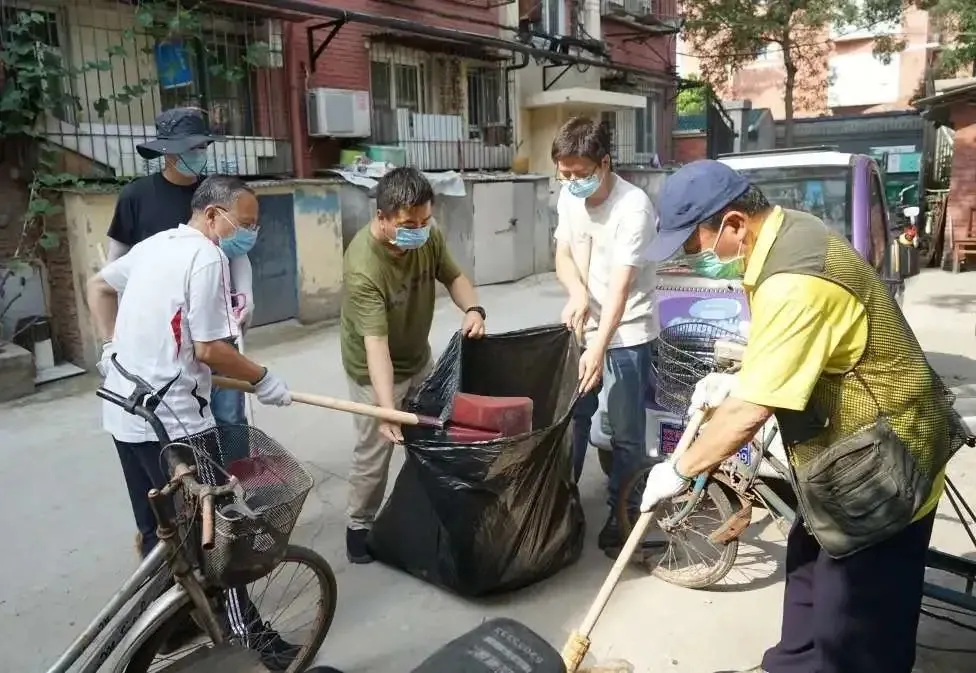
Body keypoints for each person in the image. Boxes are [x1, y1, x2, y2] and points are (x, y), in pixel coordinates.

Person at [638, 159, 968, 673]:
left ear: (733, 223)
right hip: (840, 465)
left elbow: (750, 412)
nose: (692, 259)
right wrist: (747, 372)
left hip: (886, 469)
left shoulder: (794, 279)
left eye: (693, 246)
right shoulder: (783, 232)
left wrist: (680, 470)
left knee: (856, 638)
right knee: (807, 599)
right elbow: (795, 343)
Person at [88, 176, 300, 670]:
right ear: (212, 215)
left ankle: (166, 627)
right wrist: (263, 378)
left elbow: (99, 286)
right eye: (244, 223)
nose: (250, 233)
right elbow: (210, 350)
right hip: (175, 426)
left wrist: (111, 346)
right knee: (216, 539)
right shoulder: (207, 257)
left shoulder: (155, 244)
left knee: (158, 533)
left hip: (124, 413)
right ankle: (252, 638)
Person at [340, 167, 487, 564]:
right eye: (408, 225)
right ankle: (359, 525)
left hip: (418, 358)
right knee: (375, 452)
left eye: (425, 221)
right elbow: (376, 346)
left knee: (433, 435)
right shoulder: (363, 267)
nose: (419, 231)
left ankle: (429, 509)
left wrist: (473, 308)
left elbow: (453, 276)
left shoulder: (427, 234)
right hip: (373, 370)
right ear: (382, 217)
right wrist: (387, 408)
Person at [106, 107, 255, 432]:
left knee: (230, 414)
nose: (199, 153)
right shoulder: (136, 197)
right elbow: (114, 269)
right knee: (177, 418)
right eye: (191, 147)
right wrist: (115, 338)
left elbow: (237, 252)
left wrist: (246, 295)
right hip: (165, 333)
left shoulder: (217, 193)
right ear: (168, 151)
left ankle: (234, 463)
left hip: (216, 320)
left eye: (202, 146)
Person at [550, 116, 658, 556]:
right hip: (584, 327)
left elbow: (620, 289)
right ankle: (561, 503)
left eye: (580, 173)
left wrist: (598, 350)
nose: (571, 182)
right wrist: (577, 292)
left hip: (627, 333)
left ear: (605, 163)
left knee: (626, 433)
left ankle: (623, 513)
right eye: (565, 174)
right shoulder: (569, 196)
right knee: (573, 418)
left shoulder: (634, 208)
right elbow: (562, 254)